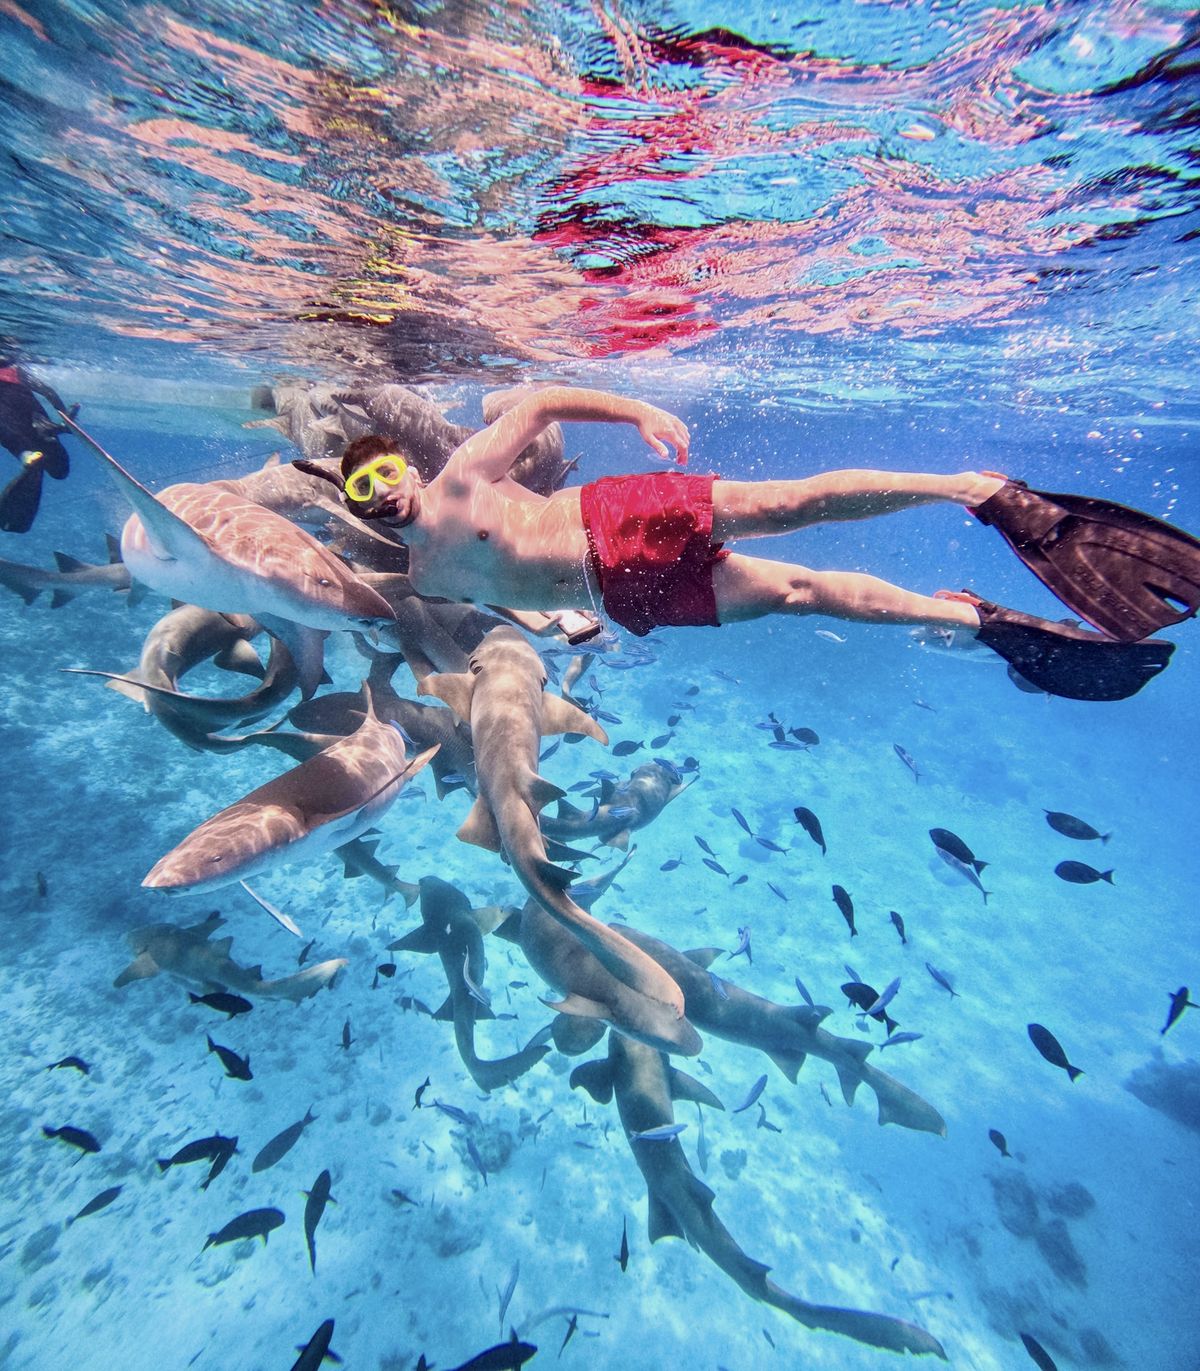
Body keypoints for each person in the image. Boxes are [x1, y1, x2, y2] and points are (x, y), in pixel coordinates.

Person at [325, 385, 1200, 702]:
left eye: (382, 475)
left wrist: (634, 410)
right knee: (800, 593)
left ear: (404, 463)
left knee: (790, 505)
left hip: (613, 519)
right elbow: (510, 592)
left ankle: (973, 490)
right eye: (361, 491)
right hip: (622, 597)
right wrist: (569, 627)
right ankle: (983, 623)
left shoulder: (464, 477)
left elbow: (541, 406)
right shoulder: (424, 570)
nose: (382, 495)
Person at [0, 357, 75, 533]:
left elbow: (48, 392)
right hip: (34, 423)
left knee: (59, 470)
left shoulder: (14, 370)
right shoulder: (15, 370)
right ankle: (28, 455)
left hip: (28, 423)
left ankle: (28, 456)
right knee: (58, 469)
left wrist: (65, 420)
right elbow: (48, 392)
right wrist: (65, 418)